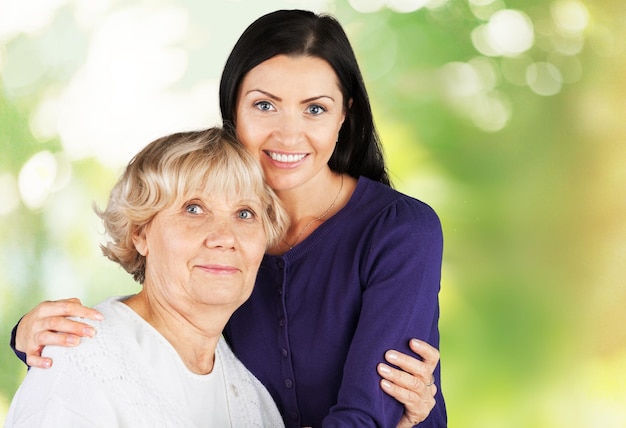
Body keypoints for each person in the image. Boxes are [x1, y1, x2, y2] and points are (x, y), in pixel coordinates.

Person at [10, 9, 446, 427]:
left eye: (315, 108)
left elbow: (369, 415)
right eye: (264, 105)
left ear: (344, 116)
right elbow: (142, 346)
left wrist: (406, 419)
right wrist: (36, 338)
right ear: (232, 109)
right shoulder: (218, 242)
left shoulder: (399, 231)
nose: (289, 134)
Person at [5, 128, 288, 427]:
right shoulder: (79, 360)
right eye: (194, 209)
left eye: (245, 214)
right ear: (140, 233)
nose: (225, 237)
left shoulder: (256, 402)